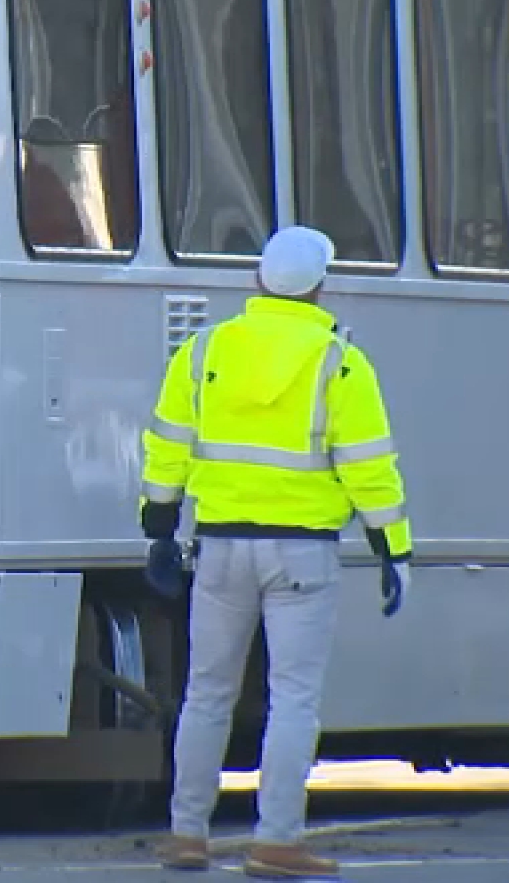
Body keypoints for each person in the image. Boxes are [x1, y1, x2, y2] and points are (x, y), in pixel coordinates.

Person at [138, 226, 413, 880]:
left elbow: (167, 443)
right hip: (303, 555)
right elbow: (369, 467)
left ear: (257, 279)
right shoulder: (338, 361)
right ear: (321, 283)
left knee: (206, 692)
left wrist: (158, 526)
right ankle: (277, 841)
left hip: (221, 546)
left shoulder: (205, 349)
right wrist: (392, 550)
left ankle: (186, 834)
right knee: (293, 697)